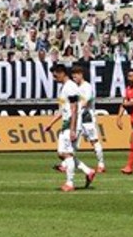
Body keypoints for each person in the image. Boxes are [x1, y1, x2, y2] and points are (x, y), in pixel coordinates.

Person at [44, 64, 96, 192]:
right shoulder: (64, 88)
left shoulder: (71, 87)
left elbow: (74, 108)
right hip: (66, 123)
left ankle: (70, 183)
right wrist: (51, 123)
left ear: (62, 73)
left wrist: (73, 129)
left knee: (67, 154)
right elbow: (63, 109)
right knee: (62, 154)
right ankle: (88, 171)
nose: (54, 78)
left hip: (72, 124)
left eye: (55, 75)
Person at [71, 65, 106, 173]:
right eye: (73, 77)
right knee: (73, 141)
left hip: (87, 118)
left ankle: (101, 164)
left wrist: (78, 108)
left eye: (75, 76)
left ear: (81, 75)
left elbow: (86, 101)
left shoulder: (87, 87)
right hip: (77, 118)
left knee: (94, 141)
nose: (74, 78)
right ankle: (67, 163)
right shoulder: (75, 88)